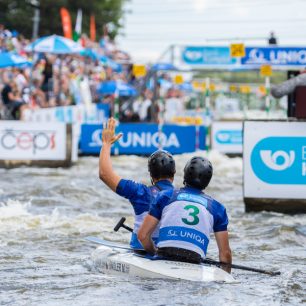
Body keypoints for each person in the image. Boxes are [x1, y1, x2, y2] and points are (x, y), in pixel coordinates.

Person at [138, 156, 232, 273]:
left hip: (163, 256)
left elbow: (142, 236)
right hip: (194, 261)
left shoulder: (165, 196)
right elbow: (225, 254)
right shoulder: (218, 208)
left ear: (185, 175)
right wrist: (226, 276)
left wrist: (154, 252)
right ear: (207, 181)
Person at [99, 117, 175, 250]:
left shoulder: (140, 192)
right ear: (173, 174)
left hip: (142, 252)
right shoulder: (182, 197)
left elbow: (104, 174)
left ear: (151, 175)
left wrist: (106, 144)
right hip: (172, 253)